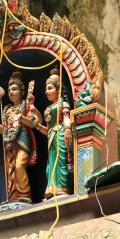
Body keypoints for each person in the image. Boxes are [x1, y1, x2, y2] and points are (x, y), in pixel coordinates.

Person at [0, 71, 42, 202]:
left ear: (22, 92)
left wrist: (23, 118)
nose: (10, 92)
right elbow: (3, 130)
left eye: (14, 89)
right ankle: (13, 198)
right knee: (10, 170)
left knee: (19, 166)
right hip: (9, 142)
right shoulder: (7, 110)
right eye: (9, 89)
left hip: (22, 139)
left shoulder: (26, 105)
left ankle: (25, 196)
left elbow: (37, 121)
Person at [40, 68, 73, 199]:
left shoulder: (62, 103)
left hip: (61, 132)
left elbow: (66, 116)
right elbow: (47, 129)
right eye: (46, 89)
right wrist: (36, 125)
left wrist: (67, 129)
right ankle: (52, 188)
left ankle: (62, 188)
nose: (46, 91)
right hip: (51, 135)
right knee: (51, 164)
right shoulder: (48, 108)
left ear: (58, 89)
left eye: (49, 88)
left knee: (61, 160)